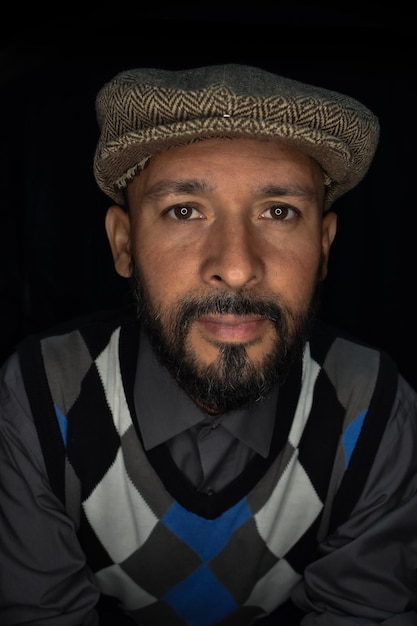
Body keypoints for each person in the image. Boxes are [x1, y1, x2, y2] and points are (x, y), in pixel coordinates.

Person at [0, 63, 416, 626]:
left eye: (279, 212)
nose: (238, 267)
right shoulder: (40, 394)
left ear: (323, 246)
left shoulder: (376, 406)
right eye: (184, 211)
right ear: (124, 244)